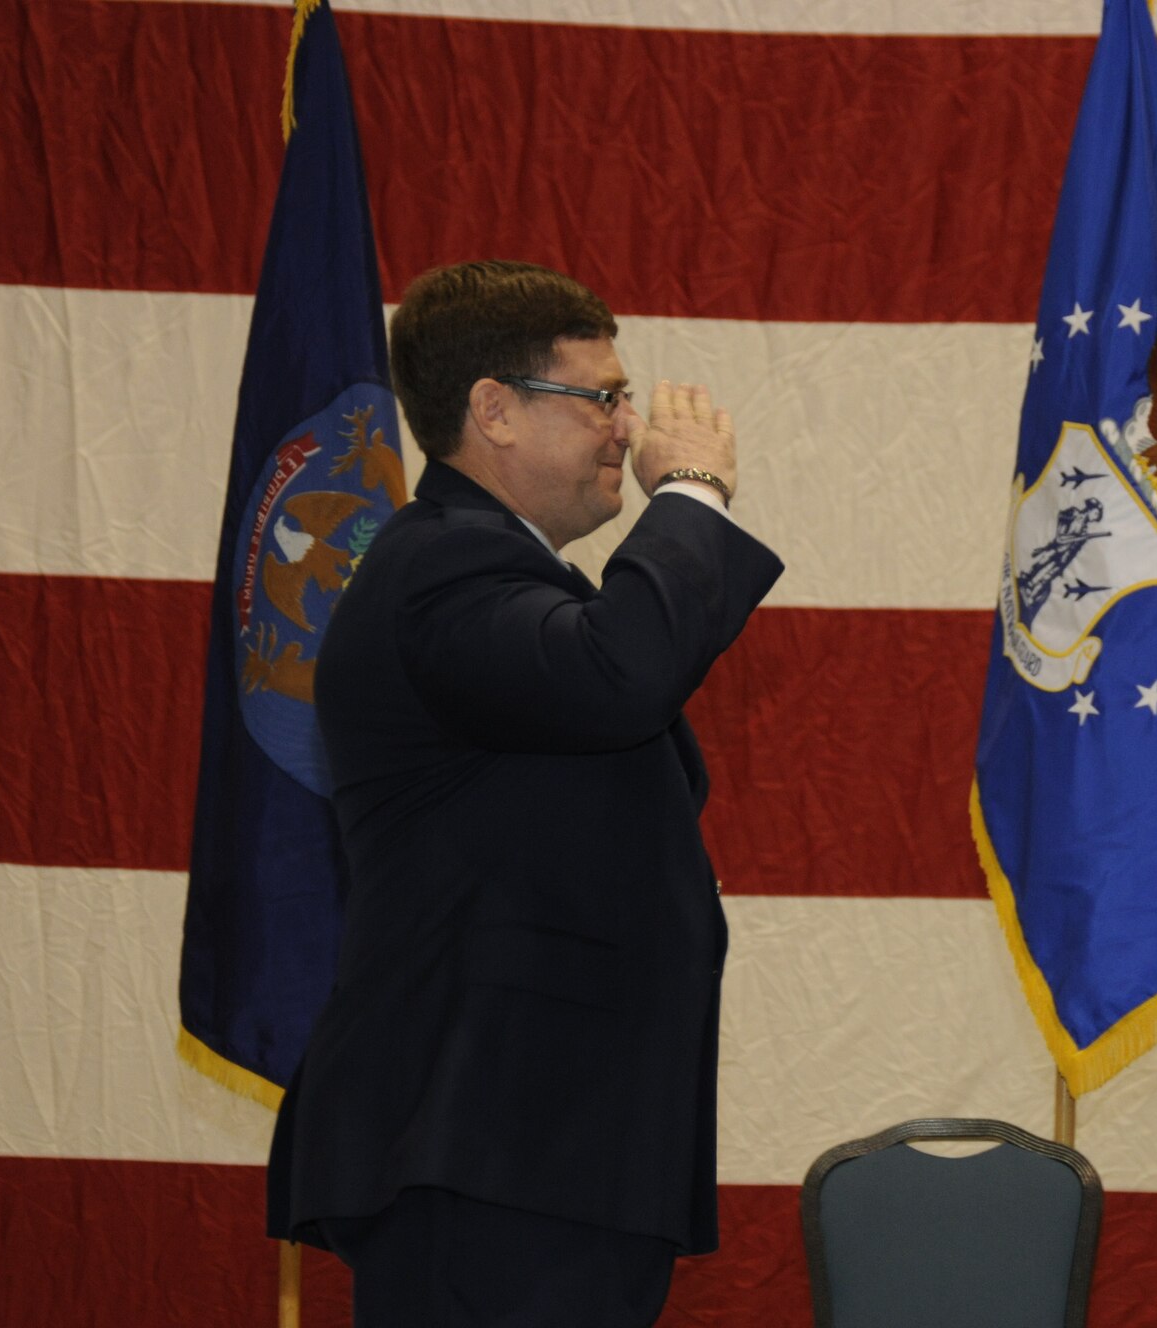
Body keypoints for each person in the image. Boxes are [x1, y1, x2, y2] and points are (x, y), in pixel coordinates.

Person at [266, 260, 783, 1325]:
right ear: (492, 410)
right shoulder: (440, 565)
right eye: (599, 397)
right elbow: (619, 674)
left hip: (543, 1145)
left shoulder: (492, 571)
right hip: (486, 1142)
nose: (627, 427)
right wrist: (690, 492)